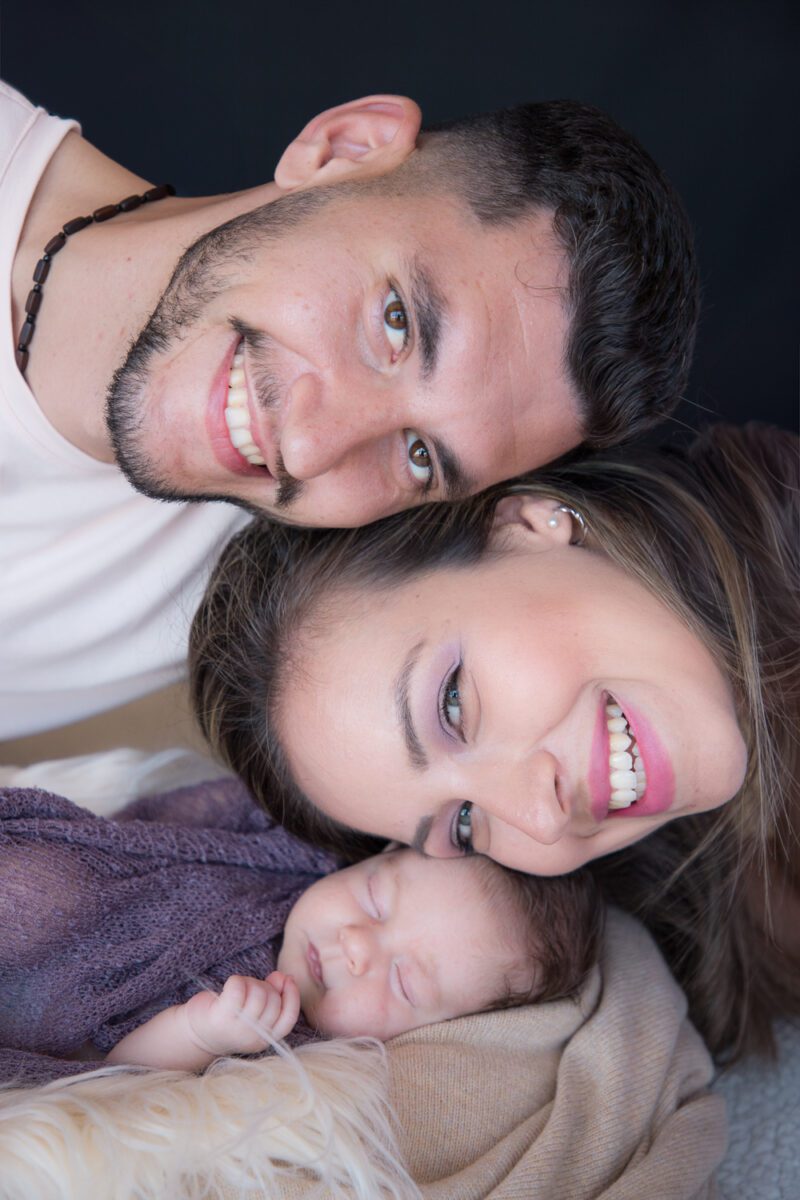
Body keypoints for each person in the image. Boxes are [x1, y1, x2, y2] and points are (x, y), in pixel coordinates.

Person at [1, 78, 698, 737]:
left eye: (419, 455)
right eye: (396, 324)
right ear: (344, 148)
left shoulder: (270, 590)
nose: (307, 449)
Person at [190, 422, 799, 1061]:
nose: (540, 818)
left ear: (529, 526)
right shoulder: (716, 918)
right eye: (463, 826)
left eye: (452, 705)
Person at [0, 776, 601, 1084]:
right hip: (67, 895)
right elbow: (154, 831)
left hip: (32, 1006)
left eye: (404, 982)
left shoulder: (285, 1041)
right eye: (374, 897)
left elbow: (115, 1078)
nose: (357, 944)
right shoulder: (291, 848)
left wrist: (201, 1033)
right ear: (378, 852)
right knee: (50, 884)